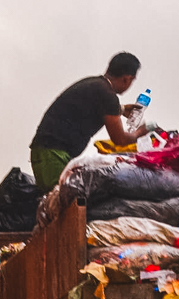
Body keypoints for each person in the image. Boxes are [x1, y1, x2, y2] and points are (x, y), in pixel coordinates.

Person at [29, 52, 156, 194]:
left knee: (59, 201)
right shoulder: (107, 95)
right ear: (127, 78)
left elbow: (90, 107)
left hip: (46, 152)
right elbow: (119, 139)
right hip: (53, 154)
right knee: (65, 201)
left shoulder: (94, 84)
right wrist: (140, 132)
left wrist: (122, 109)